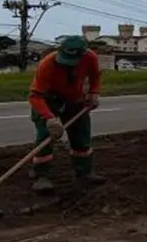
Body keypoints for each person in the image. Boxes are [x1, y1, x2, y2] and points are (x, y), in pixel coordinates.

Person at [28, 35, 104, 194]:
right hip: (48, 100)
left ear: (82, 55)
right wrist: (49, 118)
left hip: (75, 99)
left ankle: (84, 172)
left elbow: (95, 76)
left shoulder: (90, 57)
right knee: (45, 136)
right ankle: (42, 176)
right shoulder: (47, 64)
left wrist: (93, 94)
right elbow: (35, 96)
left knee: (81, 135)